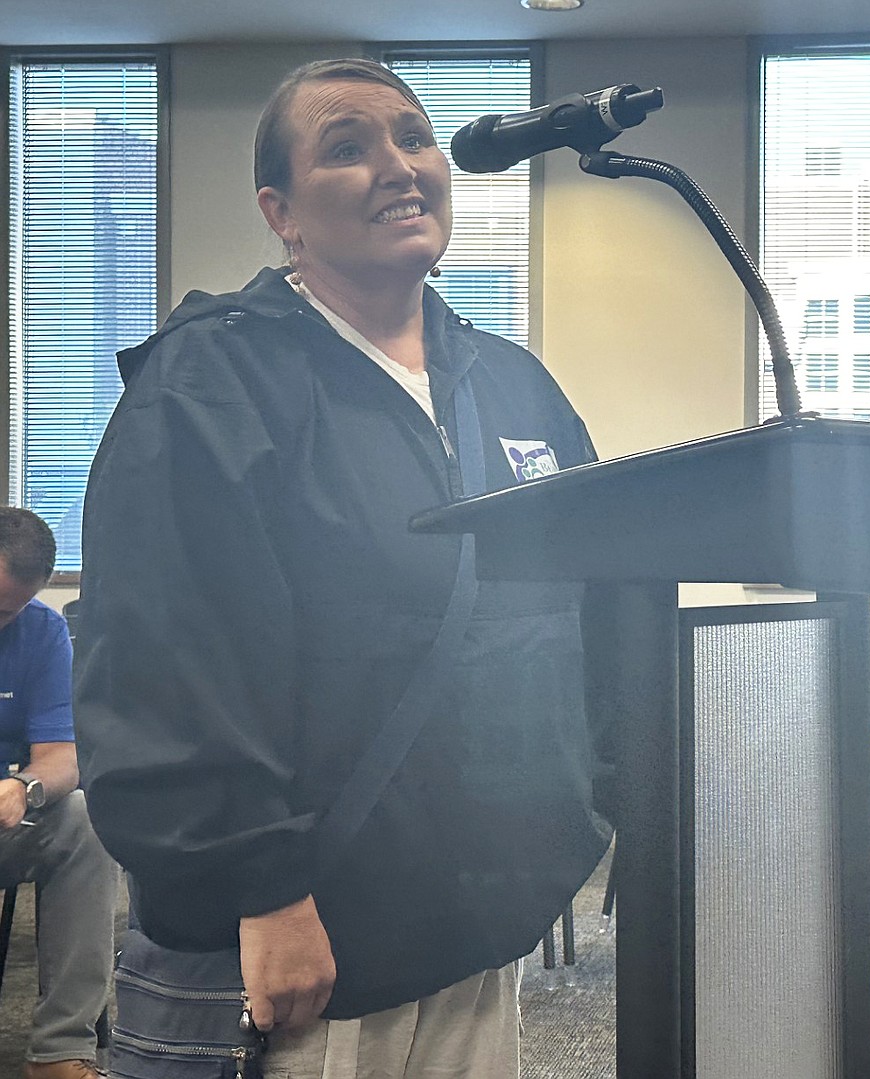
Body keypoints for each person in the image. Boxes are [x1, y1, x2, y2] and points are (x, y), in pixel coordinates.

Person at [73, 58, 610, 1078]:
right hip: (301, 929)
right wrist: (262, 888)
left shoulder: (511, 384)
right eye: (348, 147)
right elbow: (166, 661)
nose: (399, 167)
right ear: (282, 212)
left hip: (473, 912)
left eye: (412, 137)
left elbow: (580, 605)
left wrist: (588, 807)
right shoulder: (211, 385)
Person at [0, 508, 118, 1079]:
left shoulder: (41, 634)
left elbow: (65, 755)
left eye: (7, 611)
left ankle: (59, 1049)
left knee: (84, 822)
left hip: (2, 825)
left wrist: (24, 787)